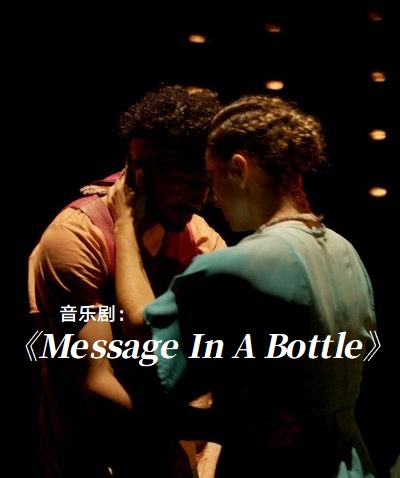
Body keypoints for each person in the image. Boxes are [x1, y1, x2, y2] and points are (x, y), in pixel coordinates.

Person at [109, 94, 377, 477]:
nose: (209, 198)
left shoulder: (242, 263)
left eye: (211, 178)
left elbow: (142, 330)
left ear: (239, 169)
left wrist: (123, 226)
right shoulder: (343, 248)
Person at [28, 84, 226, 478]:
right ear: (140, 168)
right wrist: (220, 429)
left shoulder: (201, 239)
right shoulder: (76, 239)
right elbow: (96, 382)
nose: (201, 197)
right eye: (187, 180)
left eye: (206, 182)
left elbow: (211, 364)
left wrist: (208, 452)